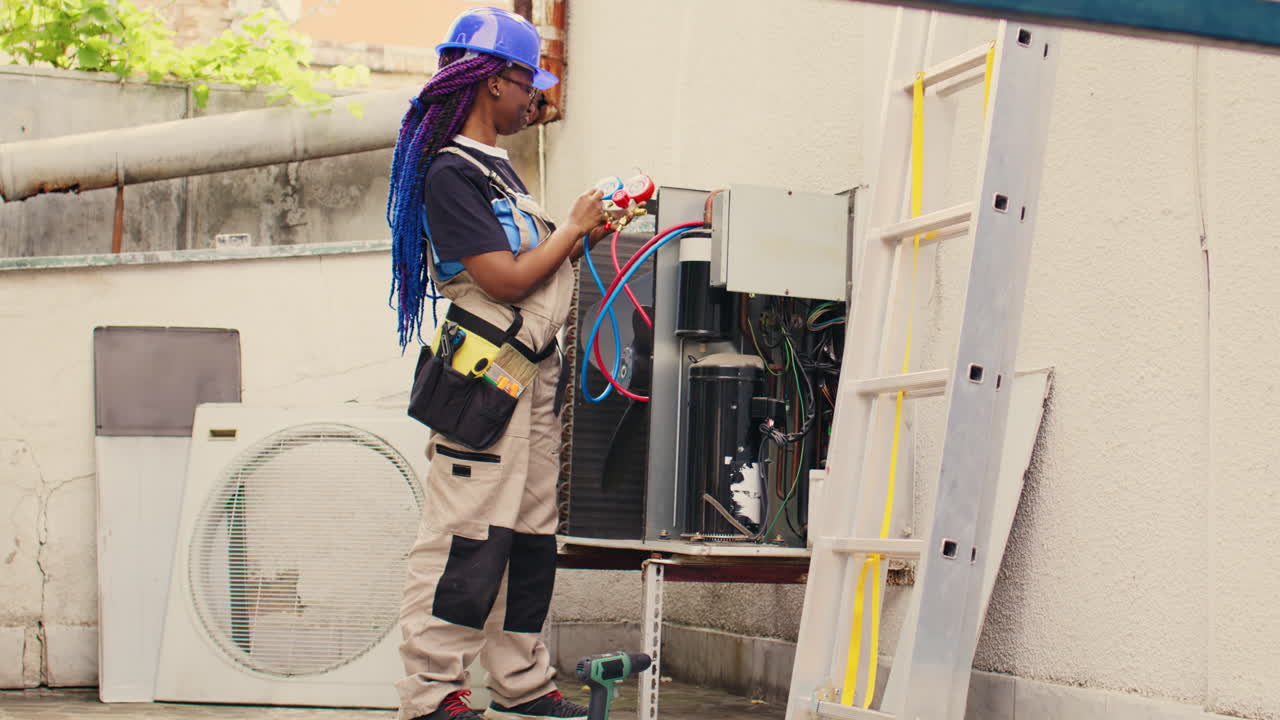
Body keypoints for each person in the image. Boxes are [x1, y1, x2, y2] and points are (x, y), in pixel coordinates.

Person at [386, 7, 610, 720]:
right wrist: (570, 227)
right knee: (467, 535)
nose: (535, 98)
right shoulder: (451, 172)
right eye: (526, 83)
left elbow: (532, 268)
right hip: (486, 381)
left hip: (531, 380)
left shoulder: (498, 172)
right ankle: (431, 696)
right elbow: (504, 280)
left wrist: (580, 235)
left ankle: (522, 683)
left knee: (528, 537)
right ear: (492, 83)